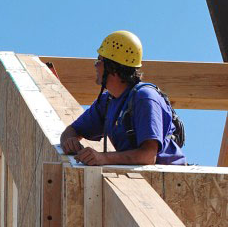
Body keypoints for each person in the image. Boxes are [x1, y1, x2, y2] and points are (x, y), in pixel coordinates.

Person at [60, 30, 186, 166]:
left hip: (168, 175)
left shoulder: (144, 98)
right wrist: (69, 141)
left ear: (112, 67)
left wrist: (103, 158)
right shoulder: (107, 101)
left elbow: (148, 156)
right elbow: (71, 130)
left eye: (99, 60)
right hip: (143, 174)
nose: (95, 65)